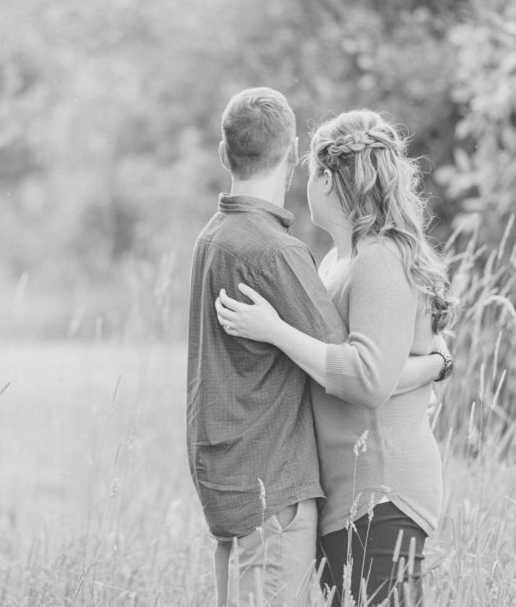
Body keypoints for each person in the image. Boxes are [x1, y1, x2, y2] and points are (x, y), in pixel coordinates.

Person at [188, 92, 448, 607]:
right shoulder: (333, 262)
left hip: (382, 490)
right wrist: (436, 364)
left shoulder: (376, 258)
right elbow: (334, 362)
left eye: (311, 171)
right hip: (345, 494)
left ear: (327, 179)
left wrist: (275, 330)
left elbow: (366, 378)